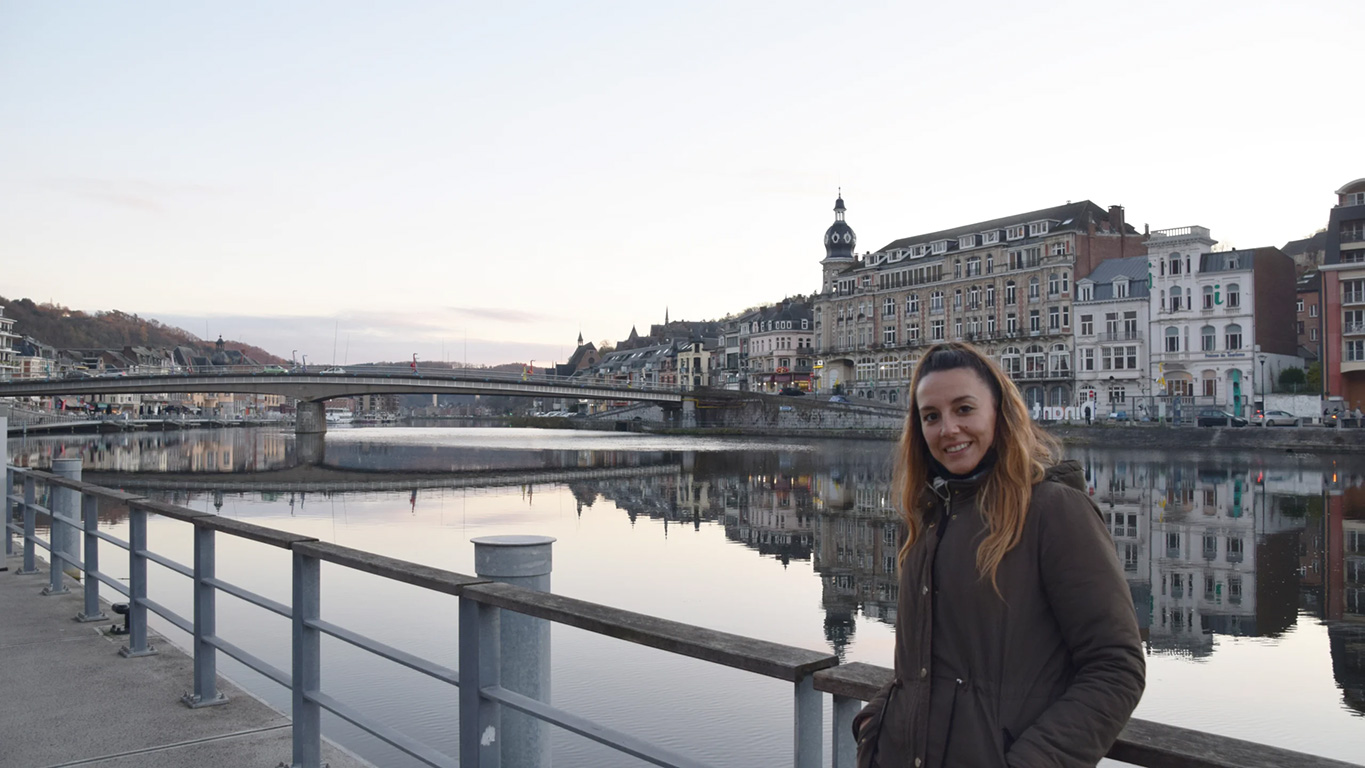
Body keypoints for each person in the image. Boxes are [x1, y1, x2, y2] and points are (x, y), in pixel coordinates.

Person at [854, 342, 1144, 767]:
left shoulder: (1053, 511)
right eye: (931, 416)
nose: (948, 429)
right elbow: (922, 666)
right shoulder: (924, 518)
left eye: (964, 409)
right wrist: (878, 723)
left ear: (999, 412)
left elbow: (1116, 667)